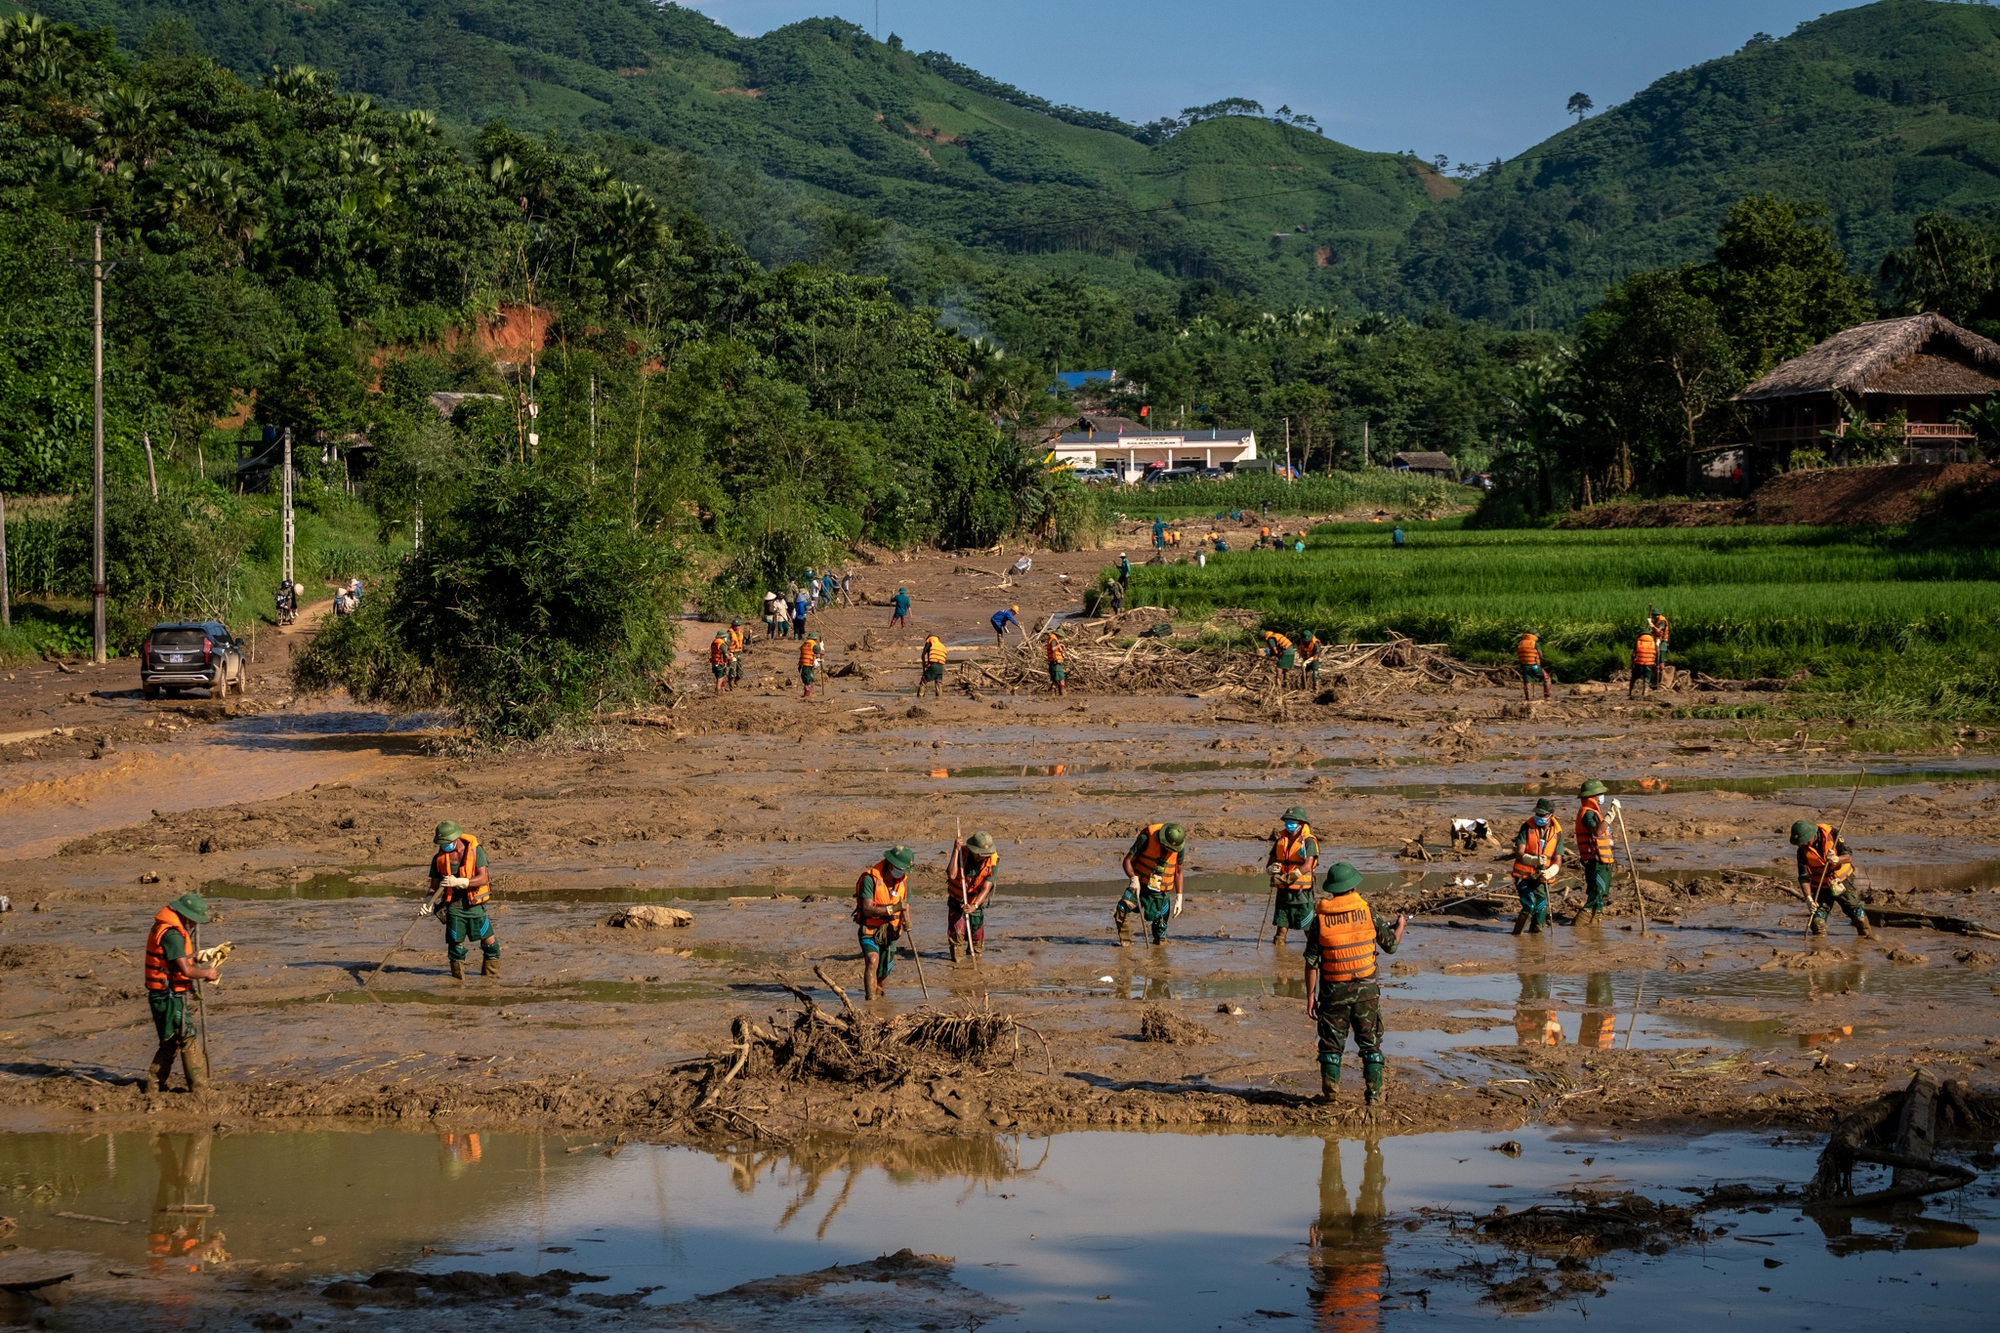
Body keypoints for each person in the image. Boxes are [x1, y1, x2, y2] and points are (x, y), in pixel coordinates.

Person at [1304, 861, 1404, 1105]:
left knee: (1330, 1045)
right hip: (1367, 992)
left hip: (1333, 993)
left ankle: (1330, 1097)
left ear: (1333, 889)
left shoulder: (1321, 920)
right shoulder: (1368, 912)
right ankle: (1373, 1097)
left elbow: (1311, 962)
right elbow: (1390, 945)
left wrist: (1310, 996)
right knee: (1370, 1044)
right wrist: (1400, 926)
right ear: (1353, 888)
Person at [141, 892, 220, 1093]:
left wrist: (199, 956)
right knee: (188, 1037)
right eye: (193, 921)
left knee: (170, 1042)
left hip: (163, 995)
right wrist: (206, 973)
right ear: (185, 915)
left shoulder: (168, 928)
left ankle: (153, 1086)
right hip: (168, 997)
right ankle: (200, 1089)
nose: (194, 925)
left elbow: (178, 960)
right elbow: (185, 970)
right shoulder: (173, 934)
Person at [428, 820, 499, 979]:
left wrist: (461, 882)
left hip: (474, 906)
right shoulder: (439, 858)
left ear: (456, 838)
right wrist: (427, 903)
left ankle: (490, 980)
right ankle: (457, 983)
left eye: (446, 842)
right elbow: (434, 886)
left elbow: (483, 879)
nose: (444, 846)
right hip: (454, 908)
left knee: (491, 946)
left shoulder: (476, 851)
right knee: (456, 950)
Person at [854, 844, 916, 999]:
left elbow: (905, 906)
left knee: (883, 973)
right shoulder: (870, 879)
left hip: (890, 934)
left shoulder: (904, 884)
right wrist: (891, 909)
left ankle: (880, 1000)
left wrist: (907, 921)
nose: (901, 873)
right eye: (900, 868)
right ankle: (870, 1001)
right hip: (870, 930)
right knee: (872, 961)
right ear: (891, 863)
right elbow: (867, 909)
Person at [1792, 820, 1874, 938]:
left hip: (1841, 881)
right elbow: (1803, 877)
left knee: (1858, 917)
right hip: (1820, 886)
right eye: (1799, 843)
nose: (1802, 845)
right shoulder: (1802, 851)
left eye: (1804, 842)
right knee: (1817, 922)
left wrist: (1837, 859)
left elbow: (1848, 856)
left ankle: (1866, 939)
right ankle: (1818, 947)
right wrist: (1808, 898)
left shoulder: (1832, 834)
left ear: (1812, 835)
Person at [1115, 822, 1185, 947]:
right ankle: (1126, 945)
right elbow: (1127, 861)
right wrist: (1133, 878)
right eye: (1167, 847)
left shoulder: (1179, 847)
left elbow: (1179, 872)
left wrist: (1179, 898)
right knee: (1122, 909)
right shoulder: (1146, 838)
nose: (1169, 851)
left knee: (1161, 926)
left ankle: (1159, 950)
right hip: (1139, 886)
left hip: (1161, 893)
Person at [1510, 798, 1564, 936]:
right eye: (1537, 814)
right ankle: (1517, 935)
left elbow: (1558, 859)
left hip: (1542, 878)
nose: (1539, 817)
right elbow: (1520, 852)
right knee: (1530, 905)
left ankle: (1536, 933)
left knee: (1541, 908)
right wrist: (1532, 859)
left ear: (1551, 815)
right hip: (1523, 876)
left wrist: (1552, 871)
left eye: (1542, 815)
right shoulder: (1527, 827)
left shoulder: (1557, 833)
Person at [1268, 805, 1318, 948]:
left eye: (1292, 822)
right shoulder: (1280, 841)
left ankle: (1314, 953)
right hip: (1283, 891)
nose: (1289, 824)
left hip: (1302, 893)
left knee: (1308, 928)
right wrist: (1271, 870)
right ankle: (1279, 956)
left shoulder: (1308, 842)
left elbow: (1308, 865)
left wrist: (1291, 876)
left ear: (1301, 824)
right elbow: (1270, 863)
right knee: (1281, 927)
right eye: (1287, 821)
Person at [947, 830, 998, 963]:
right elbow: (952, 875)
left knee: (976, 939)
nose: (981, 857)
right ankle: (957, 965)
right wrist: (955, 850)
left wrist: (974, 906)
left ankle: (974, 964)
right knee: (957, 935)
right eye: (978, 854)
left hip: (975, 903)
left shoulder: (993, 862)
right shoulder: (962, 854)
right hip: (957, 902)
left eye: (984, 855)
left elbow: (986, 888)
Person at [1574, 780, 1617, 924]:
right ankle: (1580, 924)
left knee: (1601, 895)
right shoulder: (1588, 814)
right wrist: (1610, 816)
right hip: (1596, 861)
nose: (1602, 797)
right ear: (1593, 796)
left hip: (1602, 862)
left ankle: (1594, 924)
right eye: (1600, 794)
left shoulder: (1593, 813)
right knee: (1597, 893)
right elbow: (1598, 831)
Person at [1514, 630, 1551, 701]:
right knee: (1547, 678)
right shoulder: (1535, 644)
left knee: (1528, 682)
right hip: (1534, 666)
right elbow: (1541, 654)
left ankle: (1528, 699)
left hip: (1524, 667)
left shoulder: (1520, 643)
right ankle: (1547, 696)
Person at [1630, 628, 1658, 698]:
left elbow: (1633, 654)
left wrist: (1632, 662)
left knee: (1634, 678)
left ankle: (1630, 692)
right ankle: (1645, 693)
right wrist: (1656, 663)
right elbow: (1657, 653)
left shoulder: (1638, 641)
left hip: (1639, 663)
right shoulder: (1653, 642)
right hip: (1649, 663)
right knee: (1647, 678)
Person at [919, 632, 947, 699]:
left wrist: (924, 662)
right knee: (938, 684)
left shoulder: (930, 641)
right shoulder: (941, 646)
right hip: (940, 667)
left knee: (923, 681)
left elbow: (923, 655)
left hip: (933, 666)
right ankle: (939, 699)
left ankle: (920, 698)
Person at [1044, 629, 1069, 696]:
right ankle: (1064, 695)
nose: (1060, 638)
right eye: (1060, 637)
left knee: (1055, 681)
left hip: (1053, 664)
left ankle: (1053, 695)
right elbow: (1053, 649)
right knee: (1061, 679)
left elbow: (1055, 654)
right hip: (1056, 665)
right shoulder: (1053, 640)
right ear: (1058, 635)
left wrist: (1065, 658)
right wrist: (1060, 645)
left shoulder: (1055, 640)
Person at [799, 631, 823, 698]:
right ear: (815, 639)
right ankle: (807, 695)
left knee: (806, 679)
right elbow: (820, 652)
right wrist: (822, 649)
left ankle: (807, 694)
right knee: (809, 680)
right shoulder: (813, 645)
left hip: (802, 664)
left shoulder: (804, 644)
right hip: (807, 664)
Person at [727, 620, 746, 688]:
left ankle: (737, 681)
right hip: (732, 653)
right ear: (733, 625)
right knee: (733, 668)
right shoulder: (729, 633)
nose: (737, 627)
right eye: (736, 625)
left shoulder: (740, 632)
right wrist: (728, 653)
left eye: (738, 625)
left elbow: (745, 640)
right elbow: (726, 644)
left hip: (739, 652)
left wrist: (750, 635)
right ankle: (731, 682)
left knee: (740, 668)